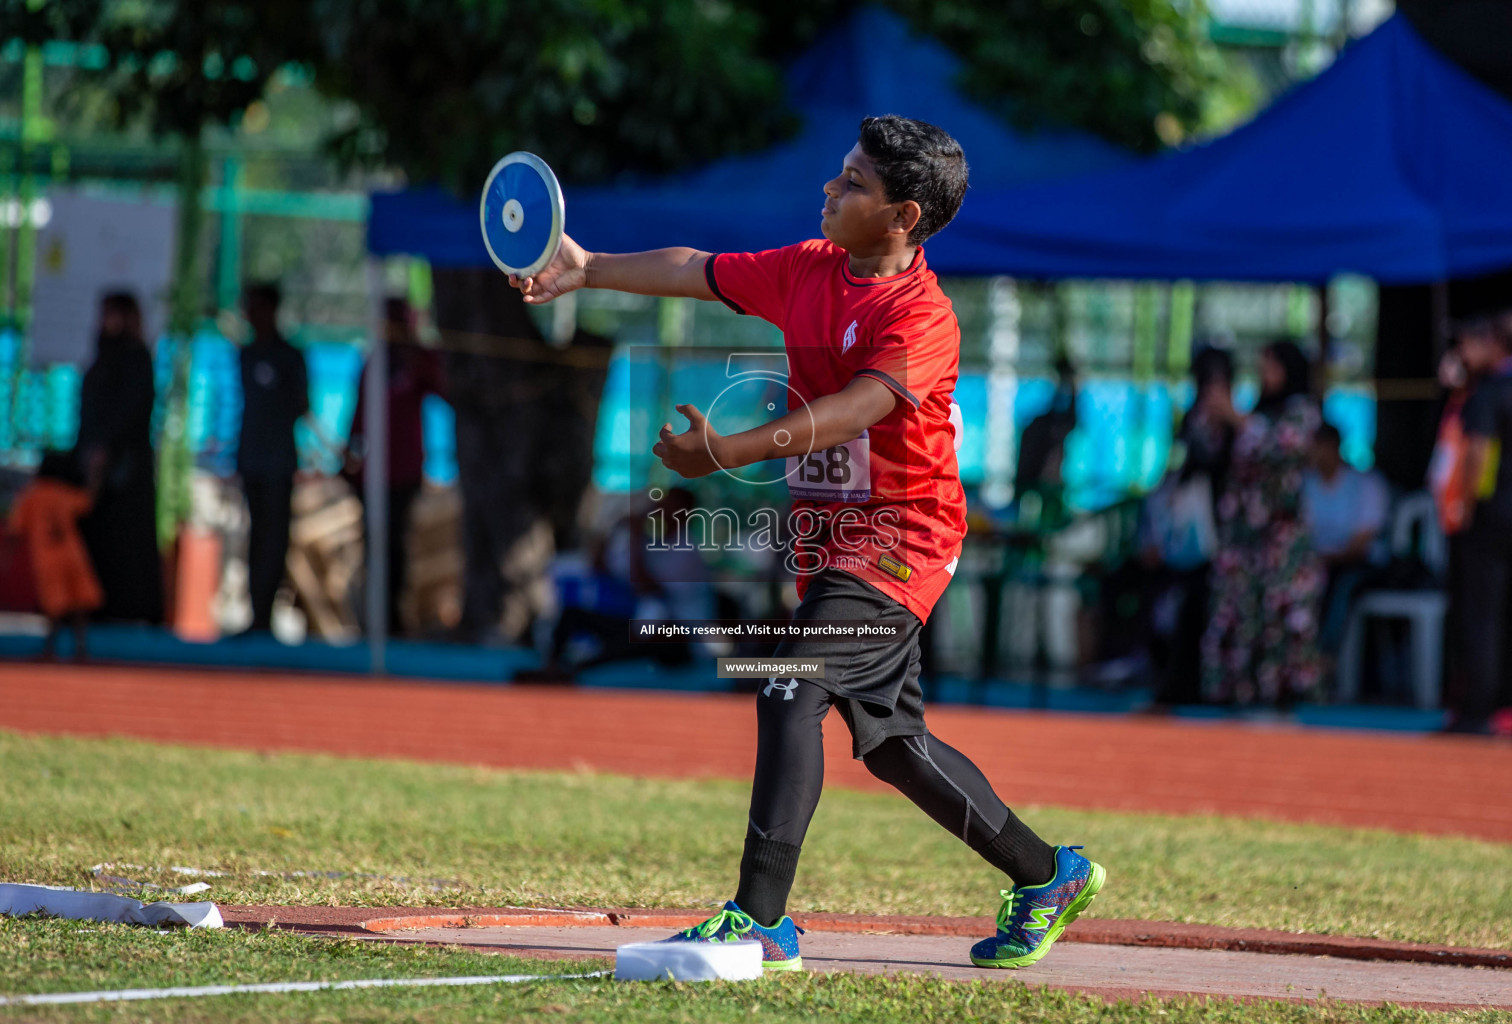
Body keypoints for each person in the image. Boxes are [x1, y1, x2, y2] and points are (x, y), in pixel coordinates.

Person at [514, 115, 1105, 971]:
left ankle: (758, 920)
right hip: (832, 544)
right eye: (838, 173)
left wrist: (728, 450)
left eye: (854, 183)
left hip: (900, 542)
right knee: (896, 746)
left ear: (903, 216)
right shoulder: (808, 270)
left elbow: (855, 408)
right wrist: (587, 268)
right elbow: (700, 270)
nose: (831, 189)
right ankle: (1049, 875)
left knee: (788, 688)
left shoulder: (923, 317)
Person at [1200, 340, 1325, 707]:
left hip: (1281, 539)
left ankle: (1286, 691)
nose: (1262, 374)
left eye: (1268, 366)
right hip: (1241, 536)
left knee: (1283, 618)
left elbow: (1282, 447)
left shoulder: (1300, 411)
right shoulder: (1255, 409)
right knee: (1236, 614)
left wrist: (1235, 418)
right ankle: (1236, 688)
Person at [1452, 307, 1512, 737]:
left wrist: (1465, 506)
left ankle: (1478, 711)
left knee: (1484, 616)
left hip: (1497, 513)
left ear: (1497, 344)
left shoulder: (1491, 392)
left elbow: (1478, 454)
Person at [1141, 345, 1235, 705]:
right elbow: (1176, 472)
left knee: (1208, 611)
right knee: (1174, 608)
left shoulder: (1235, 422)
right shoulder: (1191, 420)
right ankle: (1172, 683)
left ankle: (1211, 687)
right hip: (1188, 536)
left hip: (1222, 535)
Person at [345, 297, 443, 635]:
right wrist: (350, 457)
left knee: (398, 546)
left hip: (405, 472)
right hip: (373, 475)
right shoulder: (373, 363)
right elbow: (358, 416)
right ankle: (374, 618)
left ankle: (394, 620)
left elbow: (442, 390)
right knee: (375, 546)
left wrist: (419, 355)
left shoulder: (414, 361)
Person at [75, 291, 163, 623]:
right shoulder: (101, 356)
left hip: (126, 469)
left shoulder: (136, 357)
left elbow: (131, 410)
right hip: (95, 464)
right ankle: (95, 604)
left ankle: (132, 609)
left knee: (127, 543)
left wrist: (107, 447)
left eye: (113, 314)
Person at [236, 282, 309, 635]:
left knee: (275, 539)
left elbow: (302, 405)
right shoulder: (246, 355)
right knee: (256, 537)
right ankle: (255, 614)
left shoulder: (290, 357)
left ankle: (266, 615)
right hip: (252, 461)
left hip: (278, 464)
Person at [1302, 423, 1389, 659]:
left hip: (1360, 564)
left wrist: (1325, 558)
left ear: (1333, 447)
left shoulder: (1366, 484)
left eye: (1317, 447)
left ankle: (1325, 658)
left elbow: (1360, 545)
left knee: (1341, 583)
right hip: (1317, 563)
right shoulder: (1305, 484)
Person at [8, 452, 101, 660]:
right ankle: (81, 649)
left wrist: (7, 556)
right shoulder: (63, 492)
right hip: (73, 555)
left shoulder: (30, 495)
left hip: (47, 558)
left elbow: (15, 530)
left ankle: (50, 649)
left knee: (54, 607)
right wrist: (96, 472)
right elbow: (88, 501)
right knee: (79, 604)